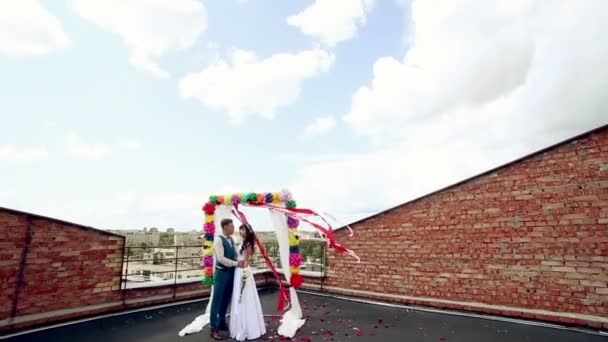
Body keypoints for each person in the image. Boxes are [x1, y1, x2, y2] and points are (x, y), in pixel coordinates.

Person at [229, 224, 266, 341]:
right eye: (240, 229)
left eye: (243, 229)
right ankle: (240, 323)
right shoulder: (242, 241)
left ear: (248, 231)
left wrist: (244, 276)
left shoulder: (247, 243)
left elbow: (246, 261)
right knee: (239, 297)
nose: (240, 231)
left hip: (242, 271)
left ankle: (247, 326)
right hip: (238, 270)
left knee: (244, 296)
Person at [210, 218, 244, 340]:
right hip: (221, 274)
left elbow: (235, 254)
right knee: (217, 301)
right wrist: (236, 264)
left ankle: (222, 321)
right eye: (231, 226)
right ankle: (214, 328)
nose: (233, 228)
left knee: (226, 299)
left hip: (230, 274)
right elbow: (221, 258)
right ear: (225, 227)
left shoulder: (231, 240)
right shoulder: (219, 240)